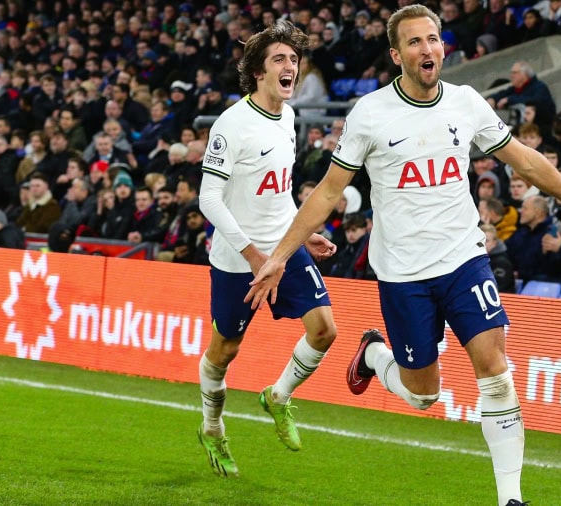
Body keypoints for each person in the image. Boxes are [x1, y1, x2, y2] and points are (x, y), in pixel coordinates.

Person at [244, 7, 561, 505]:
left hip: (465, 258)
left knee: (495, 368)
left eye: (434, 40)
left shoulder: (466, 103)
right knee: (424, 395)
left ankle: (510, 497)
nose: (428, 49)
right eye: (415, 42)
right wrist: (280, 254)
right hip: (403, 273)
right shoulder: (371, 113)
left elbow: (523, 159)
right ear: (396, 54)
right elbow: (328, 192)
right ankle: (374, 355)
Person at [195, 20, 339, 479]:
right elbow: (208, 199)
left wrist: (301, 231)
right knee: (224, 351)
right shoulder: (231, 124)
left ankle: (278, 396)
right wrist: (254, 255)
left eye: (294, 60)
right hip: (239, 259)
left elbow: (278, 191)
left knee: (324, 330)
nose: (290, 67)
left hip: (283, 246)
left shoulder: (291, 118)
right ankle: (212, 427)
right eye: (279, 59)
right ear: (257, 71)